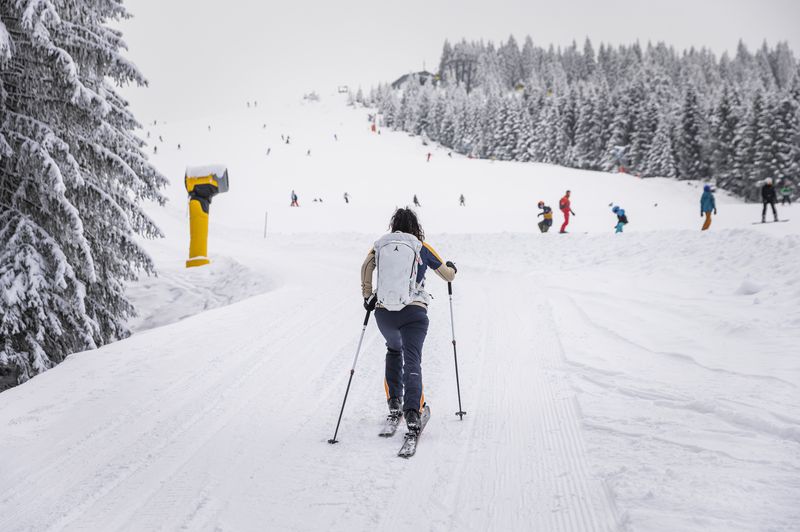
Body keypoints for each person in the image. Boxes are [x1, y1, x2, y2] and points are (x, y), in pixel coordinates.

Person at [361, 208, 457, 433]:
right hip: (413, 313)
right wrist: (452, 268)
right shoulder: (420, 246)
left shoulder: (380, 245)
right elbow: (447, 275)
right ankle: (413, 412)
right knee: (412, 358)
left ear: (393, 224)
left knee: (394, 350)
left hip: (384, 314)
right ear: (416, 225)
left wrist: (367, 296)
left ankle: (395, 403)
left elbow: (366, 267)